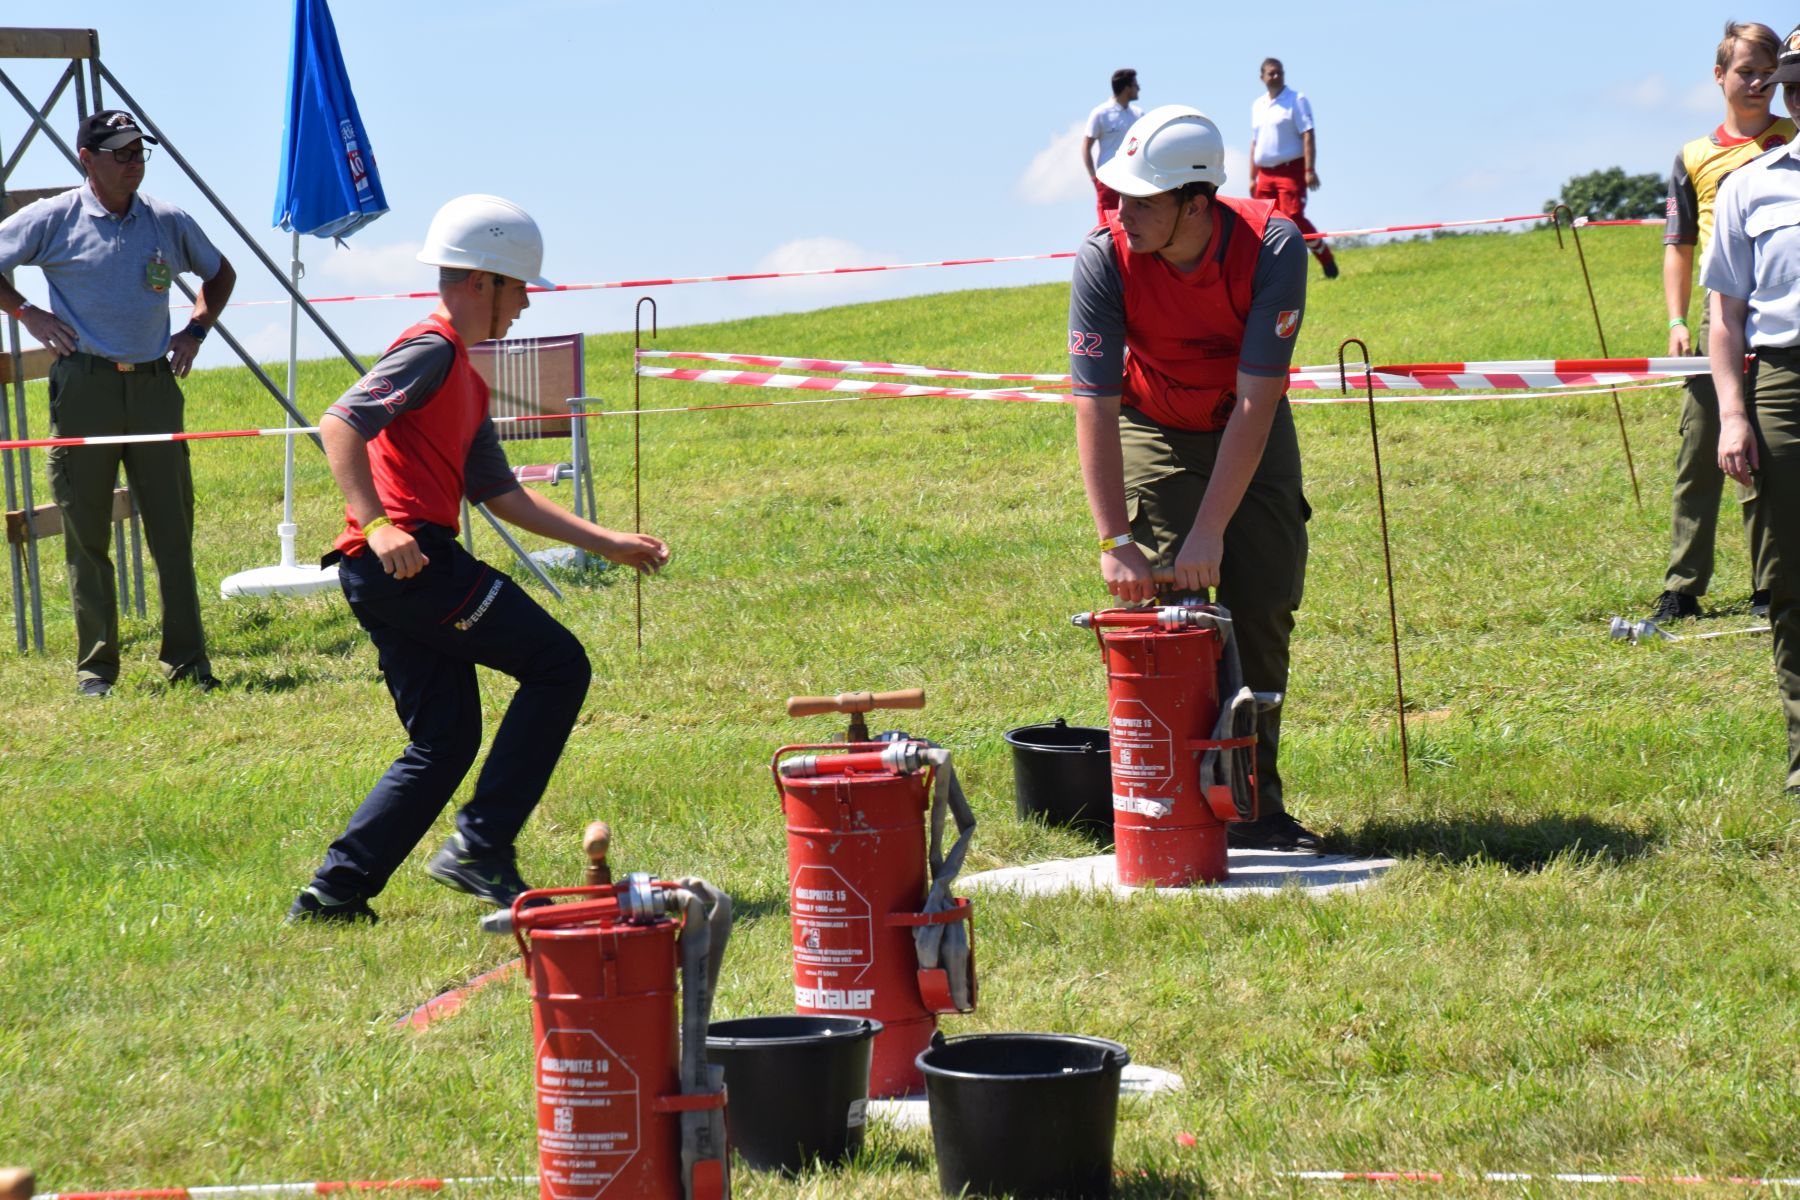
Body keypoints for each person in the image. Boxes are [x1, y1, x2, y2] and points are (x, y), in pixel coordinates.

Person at [287, 194, 670, 923]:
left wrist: (608, 543)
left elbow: (502, 495)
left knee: (446, 739)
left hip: (393, 576)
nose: (527, 303)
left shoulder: (465, 376)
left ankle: (334, 893)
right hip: (409, 564)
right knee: (560, 666)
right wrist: (377, 525)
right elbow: (340, 423)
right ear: (482, 282)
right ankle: (481, 846)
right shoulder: (431, 349)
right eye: (520, 286)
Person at [1068, 105, 1321, 852]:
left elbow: (1257, 400)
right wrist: (1115, 537)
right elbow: (1095, 403)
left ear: (1196, 202)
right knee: (1177, 610)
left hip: (1249, 424)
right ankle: (1175, 807)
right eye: (1117, 194)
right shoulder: (1103, 257)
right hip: (1154, 421)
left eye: (1142, 199)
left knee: (1264, 602)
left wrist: (1215, 526)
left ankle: (1253, 804)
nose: (1122, 210)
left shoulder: (1273, 246)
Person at [0, 110, 236, 697]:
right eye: (121, 153)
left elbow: (221, 273)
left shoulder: (166, 218)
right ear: (88, 159)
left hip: (156, 386)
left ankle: (188, 662)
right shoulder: (54, 218)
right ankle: (96, 670)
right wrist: (28, 312)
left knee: (172, 528)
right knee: (86, 530)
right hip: (85, 387)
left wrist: (196, 330)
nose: (133, 164)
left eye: (139, 153)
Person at [1651, 20, 1792, 627]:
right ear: (1719, 77)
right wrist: (1677, 319)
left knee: (1771, 462)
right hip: (1721, 322)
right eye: (1745, 71)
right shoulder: (1692, 155)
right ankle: (1684, 585)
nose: (1757, 82)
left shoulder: (1792, 137)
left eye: (1768, 72)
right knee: (1703, 449)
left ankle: (1771, 583)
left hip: (1779, 327)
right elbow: (1678, 242)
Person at [1707, 20, 1800, 803]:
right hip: (1783, 383)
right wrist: (1733, 414)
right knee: (1790, 571)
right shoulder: (1750, 184)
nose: (1791, 95)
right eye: (1789, 84)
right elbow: (1726, 315)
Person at [1249, 58, 1338, 280]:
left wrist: (1309, 170)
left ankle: (1325, 259)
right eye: (1271, 73)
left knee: (1293, 217)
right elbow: (1255, 143)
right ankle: (1269, 272)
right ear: (1262, 77)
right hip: (1265, 173)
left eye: (1279, 72)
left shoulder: (1296, 100)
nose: (1275, 76)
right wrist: (1252, 177)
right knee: (1263, 222)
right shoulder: (1257, 105)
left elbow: (1308, 133)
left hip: (1291, 169)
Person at [1082, 69, 1143, 228]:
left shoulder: (1138, 114)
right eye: (1136, 85)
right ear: (1127, 87)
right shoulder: (1101, 113)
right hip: (1107, 180)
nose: (1139, 89)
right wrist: (1094, 178)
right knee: (1108, 226)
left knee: (1136, 222)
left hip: (1133, 178)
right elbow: (1086, 147)